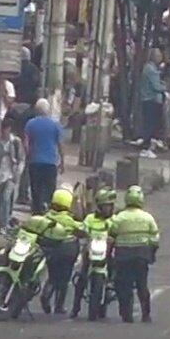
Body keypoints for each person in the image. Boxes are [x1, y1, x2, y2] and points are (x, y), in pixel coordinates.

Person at [23, 187, 82, 315]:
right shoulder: (69, 221)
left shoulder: (46, 216)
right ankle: (59, 306)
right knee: (64, 279)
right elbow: (83, 229)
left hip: (49, 250)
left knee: (52, 275)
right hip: (67, 251)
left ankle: (46, 294)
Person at [110, 185, 161, 324]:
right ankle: (146, 315)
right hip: (141, 256)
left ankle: (127, 315)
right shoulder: (148, 218)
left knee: (124, 285)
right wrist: (151, 254)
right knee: (141, 285)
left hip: (123, 256)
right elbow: (155, 239)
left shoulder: (119, 218)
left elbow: (111, 235)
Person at [70, 187, 118, 320]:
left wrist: (115, 238)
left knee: (116, 265)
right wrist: (80, 232)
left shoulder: (115, 220)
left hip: (107, 252)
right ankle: (75, 307)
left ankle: (111, 283)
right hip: (91, 251)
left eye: (110, 205)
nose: (108, 208)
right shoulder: (90, 218)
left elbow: (119, 231)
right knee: (82, 276)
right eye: (105, 206)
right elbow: (82, 228)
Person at [23, 99, 64, 212]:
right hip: (50, 162)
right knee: (49, 188)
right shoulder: (55, 125)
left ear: (36, 110)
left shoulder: (30, 124)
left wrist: (28, 156)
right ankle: (46, 207)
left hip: (35, 161)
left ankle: (37, 210)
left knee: (36, 188)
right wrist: (62, 161)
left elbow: (26, 143)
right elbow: (60, 144)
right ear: (48, 110)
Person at [139, 48, 168, 156]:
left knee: (149, 123)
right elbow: (156, 86)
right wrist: (165, 87)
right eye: (159, 55)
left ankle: (149, 144)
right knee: (151, 124)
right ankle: (147, 146)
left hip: (146, 99)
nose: (160, 57)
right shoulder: (151, 70)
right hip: (151, 99)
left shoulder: (148, 68)